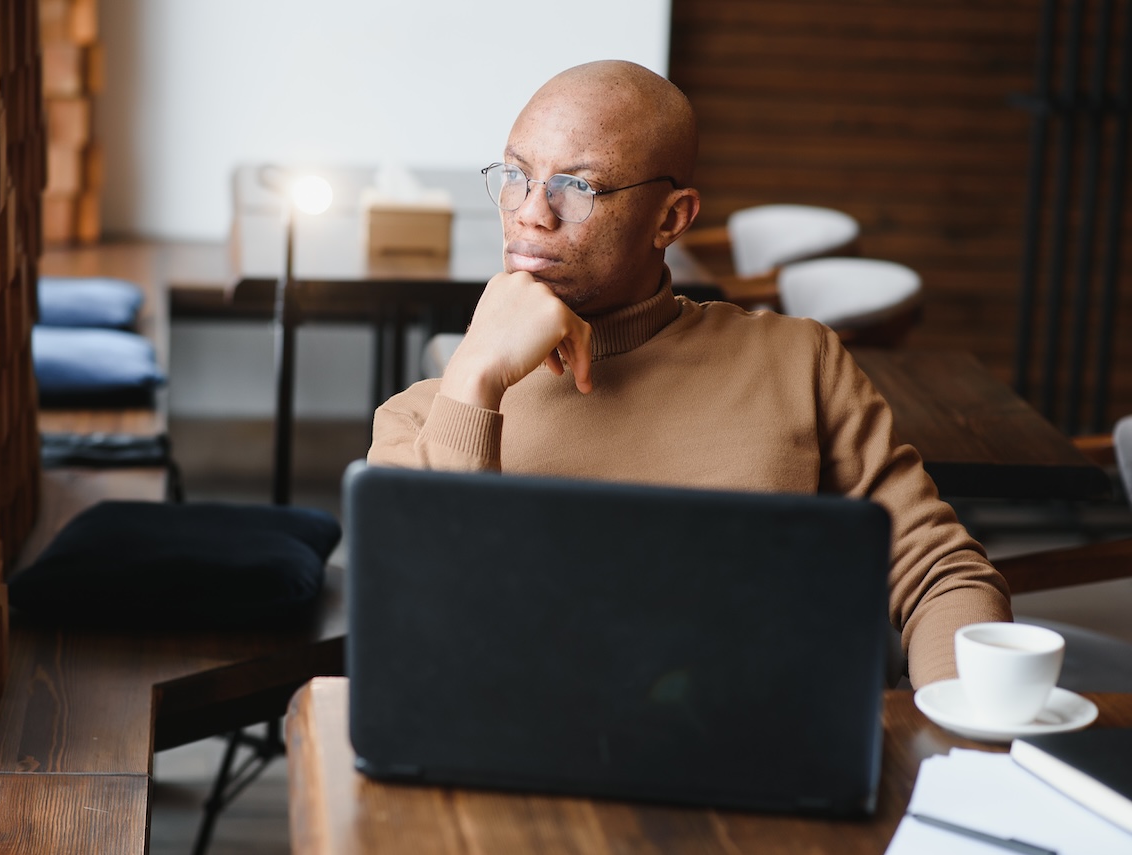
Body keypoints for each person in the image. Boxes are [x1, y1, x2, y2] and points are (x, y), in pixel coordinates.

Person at [367, 59, 1011, 687]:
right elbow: (421, 635)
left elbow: (940, 575)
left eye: (577, 187)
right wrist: (475, 376)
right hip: (510, 761)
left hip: (753, 758)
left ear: (672, 218)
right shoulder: (430, 416)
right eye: (516, 175)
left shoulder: (796, 362)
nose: (531, 213)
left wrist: (959, 746)